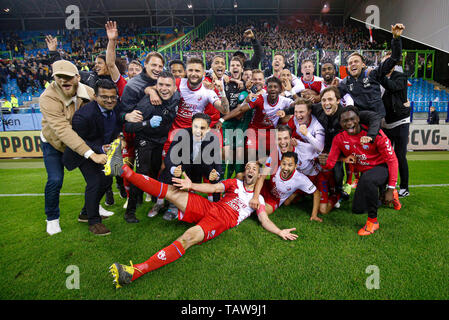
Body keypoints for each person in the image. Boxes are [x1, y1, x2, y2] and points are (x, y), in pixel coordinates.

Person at [105, 152, 297, 288]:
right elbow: (214, 189)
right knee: (173, 191)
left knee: (187, 238)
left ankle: (135, 271)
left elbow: (264, 220)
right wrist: (191, 185)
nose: (249, 169)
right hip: (212, 207)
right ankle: (122, 169)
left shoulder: (259, 199)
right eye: (247, 167)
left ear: (258, 174)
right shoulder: (235, 182)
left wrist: (280, 231)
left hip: (222, 220)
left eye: (254, 168)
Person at [39, 60, 107, 235]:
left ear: (77, 77)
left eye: (67, 77)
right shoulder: (47, 97)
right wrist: (91, 153)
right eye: (58, 77)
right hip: (53, 144)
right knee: (55, 180)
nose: (63, 81)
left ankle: (88, 211)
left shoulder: (90, 93)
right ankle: (52, 218)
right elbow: (63, 130)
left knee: (99, 178)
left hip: (78, 144)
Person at [323, 106, 401, 236]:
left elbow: (392, 161)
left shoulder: (375, 134)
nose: (349, 123)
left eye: (352, 119)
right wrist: (323, 161)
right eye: (344, 121)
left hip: (382, 168)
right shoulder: (339, 139)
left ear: (358, 119)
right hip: (366, 174)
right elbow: (330, 164)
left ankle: (373, 222)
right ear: (340, 123)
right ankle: (391, 196)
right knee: (358, 209)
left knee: (368, 180)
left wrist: (390, 188)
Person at [62, 79, 123, 235]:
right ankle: (94, 221)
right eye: (104, 97)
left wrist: (119, 137)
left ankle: (85, 212)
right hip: (83, 153)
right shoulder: (83, 116)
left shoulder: (117, 108)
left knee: (108, 179)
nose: (109, 100)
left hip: (104, 151)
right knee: (95, 182)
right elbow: (79, 141)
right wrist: (100, 149)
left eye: (113, 97)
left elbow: (116, 127)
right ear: (95, 96)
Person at [122, 71, 180, 223]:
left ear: (175, 87)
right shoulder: (147, 103)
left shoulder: (176, 97)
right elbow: (128, 126)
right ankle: (131, 211)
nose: (164, 88)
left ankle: (157, 203)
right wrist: (146, 123)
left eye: (168, 85)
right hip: (145, 140)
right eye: (160, 84)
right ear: (156, 85)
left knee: (158, 172)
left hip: (162, 141)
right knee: (141, 174)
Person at [160, 113, 223, 220]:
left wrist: (216, 174)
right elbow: (169, 157)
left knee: (214, 175)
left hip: (202, 165)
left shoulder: (213, 139)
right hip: (185, 164)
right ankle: (173, 206)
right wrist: (174, 169)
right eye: (195, 126)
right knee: (170, 171)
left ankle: (215, 206)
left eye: (202, 128)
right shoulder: (181, 134)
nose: (198, 131)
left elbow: (217, 160)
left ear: (208, 129)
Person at [338, 23, 405, 117]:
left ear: (363, 65)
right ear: (348, 68)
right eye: (350, 63)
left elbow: (394, 58)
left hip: (377, 119)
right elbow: (333, 96)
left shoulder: (373, 74)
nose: (353, 64)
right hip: (361, 120)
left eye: (356, 61)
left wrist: (396, 39)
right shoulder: (346, 82)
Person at [380, 54, 411, 197]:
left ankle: (404, 187)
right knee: (385, 156)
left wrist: (379, 76)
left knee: (399, 155)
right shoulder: (378, 78)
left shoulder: (400, 76)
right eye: (384, 61)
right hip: (385, 123)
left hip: (400, 121)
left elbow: (392, 87)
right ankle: (386, 185)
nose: (387, 63)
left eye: (389, 61)